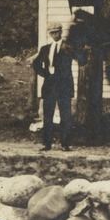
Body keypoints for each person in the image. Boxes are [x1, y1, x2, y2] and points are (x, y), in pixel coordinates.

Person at [32, 22, 77, 151]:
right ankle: (47, 144)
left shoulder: (68, 47)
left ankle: (65, 143)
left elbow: (80, 59)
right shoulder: (45, 48)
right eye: (52, 32)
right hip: (50, 86)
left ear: (61, 32)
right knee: (48, 115)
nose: (54, 34)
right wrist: (45, 73)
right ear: (49, 34)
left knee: (65, 115)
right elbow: (36, 64)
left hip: (64, 86)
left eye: (57, 32)